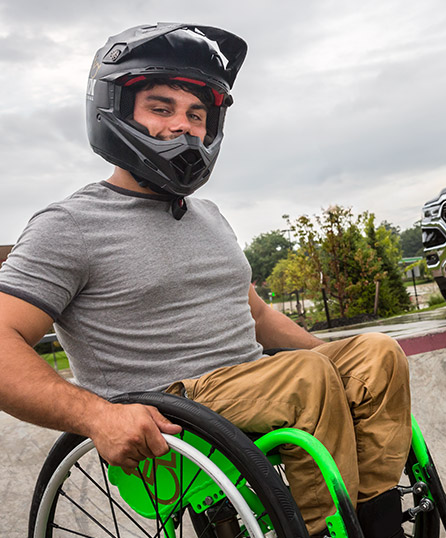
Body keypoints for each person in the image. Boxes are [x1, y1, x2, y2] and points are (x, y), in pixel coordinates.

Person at [0, 23, 410, 538]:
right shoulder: (70, 225)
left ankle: (377, 525)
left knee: (378, 353)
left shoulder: (210, 216)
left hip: (258, 387)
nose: (184, 126)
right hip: (173, 412)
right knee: (307, 378)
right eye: (161, 107)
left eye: (197, 114)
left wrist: (341, 364)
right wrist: (96, 416)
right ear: (117, 111)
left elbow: (256, 315)